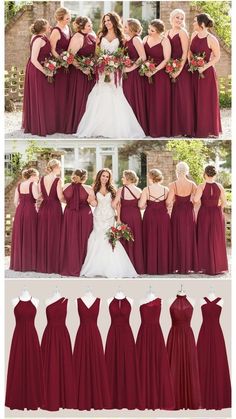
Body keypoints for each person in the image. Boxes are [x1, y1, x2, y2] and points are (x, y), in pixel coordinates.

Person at [75, 12, 145, 138]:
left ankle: (115, 128)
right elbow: (97, 53)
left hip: (116, 71)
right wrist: (101, 63)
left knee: (115, 94)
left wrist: (120, 65)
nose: (106, 22)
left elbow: (124, 54)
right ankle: (96, 128)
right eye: (105, 20)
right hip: (102, 71)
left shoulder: (121, 36)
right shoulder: (101, 34)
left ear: (114, 21)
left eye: (109, 20)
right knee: (99, 94)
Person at [80, 168, 137, 278]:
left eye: (107, 176)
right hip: (98, 217)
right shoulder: (94, 188)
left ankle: (112, 267)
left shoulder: (112, 189)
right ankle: (96, 267)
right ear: (99, 176)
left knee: (109, 239)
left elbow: (117, 205)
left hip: (110, 217)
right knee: (97, 238)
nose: (105, 178)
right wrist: (91, 199)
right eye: (103, 176)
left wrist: (119, 219)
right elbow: (93, 204)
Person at [189, 13, 222, 137]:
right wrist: (191, 62)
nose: (193, 23)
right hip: (193, 72)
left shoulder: (211, 39)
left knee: (205, 100)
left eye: (194, 21)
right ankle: (194, 129)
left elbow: (217, 56)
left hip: (206, 73)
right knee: (193, 99)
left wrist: (204, 67)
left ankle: (208, 129)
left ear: (201, 24)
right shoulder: (193, 35)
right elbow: (190, 51)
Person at [22, 19, 56, 136]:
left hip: (42, 67)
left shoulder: (42, 36)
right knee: (39, 96)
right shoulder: (38, 39)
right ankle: (38, 125)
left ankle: (44, 122)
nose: (50, 26)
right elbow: (33, 59)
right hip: (37, 70)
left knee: (43, 96)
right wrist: (45, 71)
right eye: (48, 26)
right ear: (43, 28)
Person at [60, 169, 96, 276]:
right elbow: (93, 204)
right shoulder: (89, 188)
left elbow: (62, 199)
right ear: (84, 178)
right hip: (84, 215)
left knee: (70, 238)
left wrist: (71, 203)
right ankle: (83, 265)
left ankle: (69, 264)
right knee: (84, 238)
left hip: (69, 214)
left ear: (73, 176)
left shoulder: (65, 186)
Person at [194, 165, 228, 275]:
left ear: (205, 174)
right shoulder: (220, 186)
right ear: (215, 174)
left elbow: (195, 199)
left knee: (204, 237)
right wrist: (219, 209)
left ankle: (204, 265)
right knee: (216, 239)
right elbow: (224, 202)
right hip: (217, 213)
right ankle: (218, 265)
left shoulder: (201, 186)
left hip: (204, 213)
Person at [65, 16, 96, 134]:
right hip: (80, 74)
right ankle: (78, 125)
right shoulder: (77, 37)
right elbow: (70, 56)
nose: (91, 26)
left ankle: (89, 125)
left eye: (91, 24)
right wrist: (83, 68)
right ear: (82, 26)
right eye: (89, 25)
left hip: (91, 72)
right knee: (81, 98)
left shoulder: (91, 34)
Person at [167, 162, 198, 274]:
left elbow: (169, 201)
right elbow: (195, 200)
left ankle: (178, 265)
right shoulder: (192, 184)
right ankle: (189, 265)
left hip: (177, 212)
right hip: (189, 212)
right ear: (187, 171)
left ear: (177, 170)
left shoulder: (172, 185)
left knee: (177, 236)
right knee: (189, 237)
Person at [167, 9, 194, 136]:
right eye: (177, 17)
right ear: (172, 18)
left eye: (182, 18)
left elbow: (185, 53)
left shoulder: (183, 33)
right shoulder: (167, 32)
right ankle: (175, 129)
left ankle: (186, 129)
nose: (179, 20)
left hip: (182, 69)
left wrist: (178, 70)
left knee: (184, 98)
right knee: (173, 98)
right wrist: (170, 67)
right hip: (170, 68)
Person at [139, 169, 171, 274]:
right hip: (163, 217)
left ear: (151, 177)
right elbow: (167, 204)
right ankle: (163, 268)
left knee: (150, 240)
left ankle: (150, 267)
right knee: (163, 240)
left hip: (150, 216)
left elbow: (140, 205)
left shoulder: (146, 189)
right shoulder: (166, 189)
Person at [143, 19, 171, 137]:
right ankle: (147, 129)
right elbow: (143, 56)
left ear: (159, 31)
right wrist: (146, 68)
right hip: (146, 73)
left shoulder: (165, 41)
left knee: (159, 101)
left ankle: (160, 129)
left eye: (152, 30)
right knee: (148, 100)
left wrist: (154, 70)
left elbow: (166, 59)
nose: (149, 32)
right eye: (149, 29)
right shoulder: (145, 39)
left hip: (160, 75)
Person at [113, 170, 144, 274]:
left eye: (123, 177)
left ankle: (125, 266)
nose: (122, 179)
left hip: (125, 216)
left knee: (124, 239)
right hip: (136, 217)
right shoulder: (139, 190)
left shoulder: (121, 190)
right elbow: (142, 206)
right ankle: (137, 266)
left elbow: (114, 204)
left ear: (128, 178)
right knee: (136, 239)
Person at [37, 159, 64, 274]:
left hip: (44, 208)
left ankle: (43, 265)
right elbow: (60, 197)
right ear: (55, 167)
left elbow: (39, 195)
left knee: (43, 235)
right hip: (54, 208)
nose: (61, 169)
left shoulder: (41, 179)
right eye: (60, 167)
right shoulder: (58, 180)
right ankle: (54, 266)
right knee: (55, 235)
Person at [10, 168, 39, 272]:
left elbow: (15, 201)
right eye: (37, 176)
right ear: (32, 175)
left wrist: (21, 206)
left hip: (20, 211)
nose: (38, 178)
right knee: (30, 234)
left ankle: (19, 263)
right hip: (30, 210)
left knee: (20, 234)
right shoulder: (33, 184)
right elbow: (36, 196)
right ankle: (30, 264)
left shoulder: (19, 185)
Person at [123, 19, 148, 134]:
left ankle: (138, 126)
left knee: (133, 97)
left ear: (132, 28)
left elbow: (143, 57)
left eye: (126, 27)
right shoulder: (127, 39)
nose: (124, 29)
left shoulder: (136, 39)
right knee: (127, 98)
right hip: (127, 73)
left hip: (134, 74)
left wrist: (130, 68)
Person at [50, 7, 71, 133]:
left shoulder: (68, 28)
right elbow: (52, 49)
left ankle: (65, 122)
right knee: (59, 94)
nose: (69, 20)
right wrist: (62, 61)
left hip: (68, 66)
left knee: (67, 94)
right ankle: (57, 124)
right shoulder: (56, 31)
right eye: (67, 18)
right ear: (60, 18)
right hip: (60, 66)